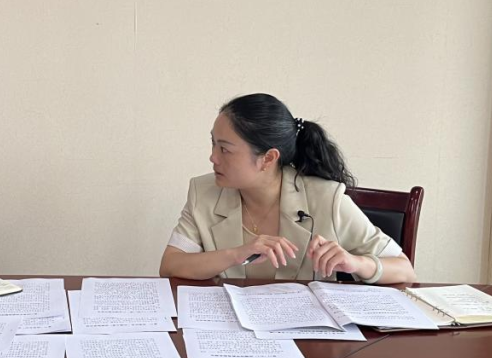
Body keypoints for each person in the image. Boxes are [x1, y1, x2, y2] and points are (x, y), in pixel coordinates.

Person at [159, 93, 415, 284]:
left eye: (225, 149)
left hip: (308, 335)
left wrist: (356, 263)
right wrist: (236, 254)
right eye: (213, 144)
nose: (213, 157)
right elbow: (171, 265)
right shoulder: (203, 192)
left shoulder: (327, 200)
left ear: (268, 158)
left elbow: (405, 270)